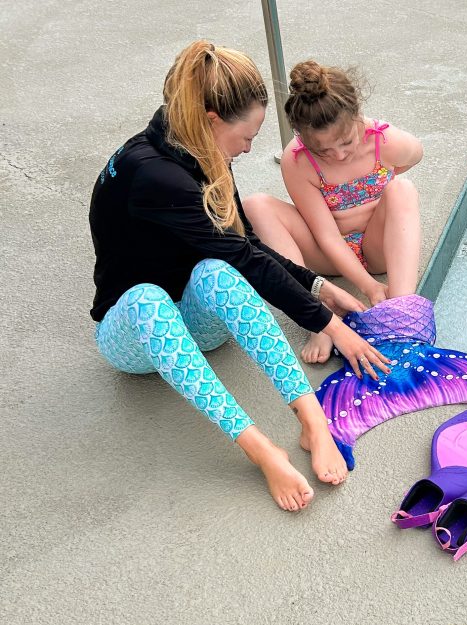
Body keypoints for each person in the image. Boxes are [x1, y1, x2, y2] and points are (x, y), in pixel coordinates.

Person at [89, 40, 391, 512]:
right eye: (246, 136)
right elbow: (247, 259)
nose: (249, 148)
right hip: (137, 333)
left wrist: (319, 287)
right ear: (212, 120)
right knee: (149, 298)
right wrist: (329, 325)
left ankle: (312, 420)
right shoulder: (153, 175)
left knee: (217, 271)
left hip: (196, 312)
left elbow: (243, 245)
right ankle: (261, 450)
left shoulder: (197, 145)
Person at [243, 60, 424, 364]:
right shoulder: (298, 161)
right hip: (327, 254)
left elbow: (415, 153)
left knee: (402, 190)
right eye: (324, 150)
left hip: (377, 246)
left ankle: (402, 307)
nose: (339, 155)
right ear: (302, 137)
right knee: (255, 206)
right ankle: (319, 317)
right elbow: (326, 235)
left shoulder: (381, 140)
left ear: (358, 117)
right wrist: (368, 286)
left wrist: (387, 166)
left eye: (346, 142)